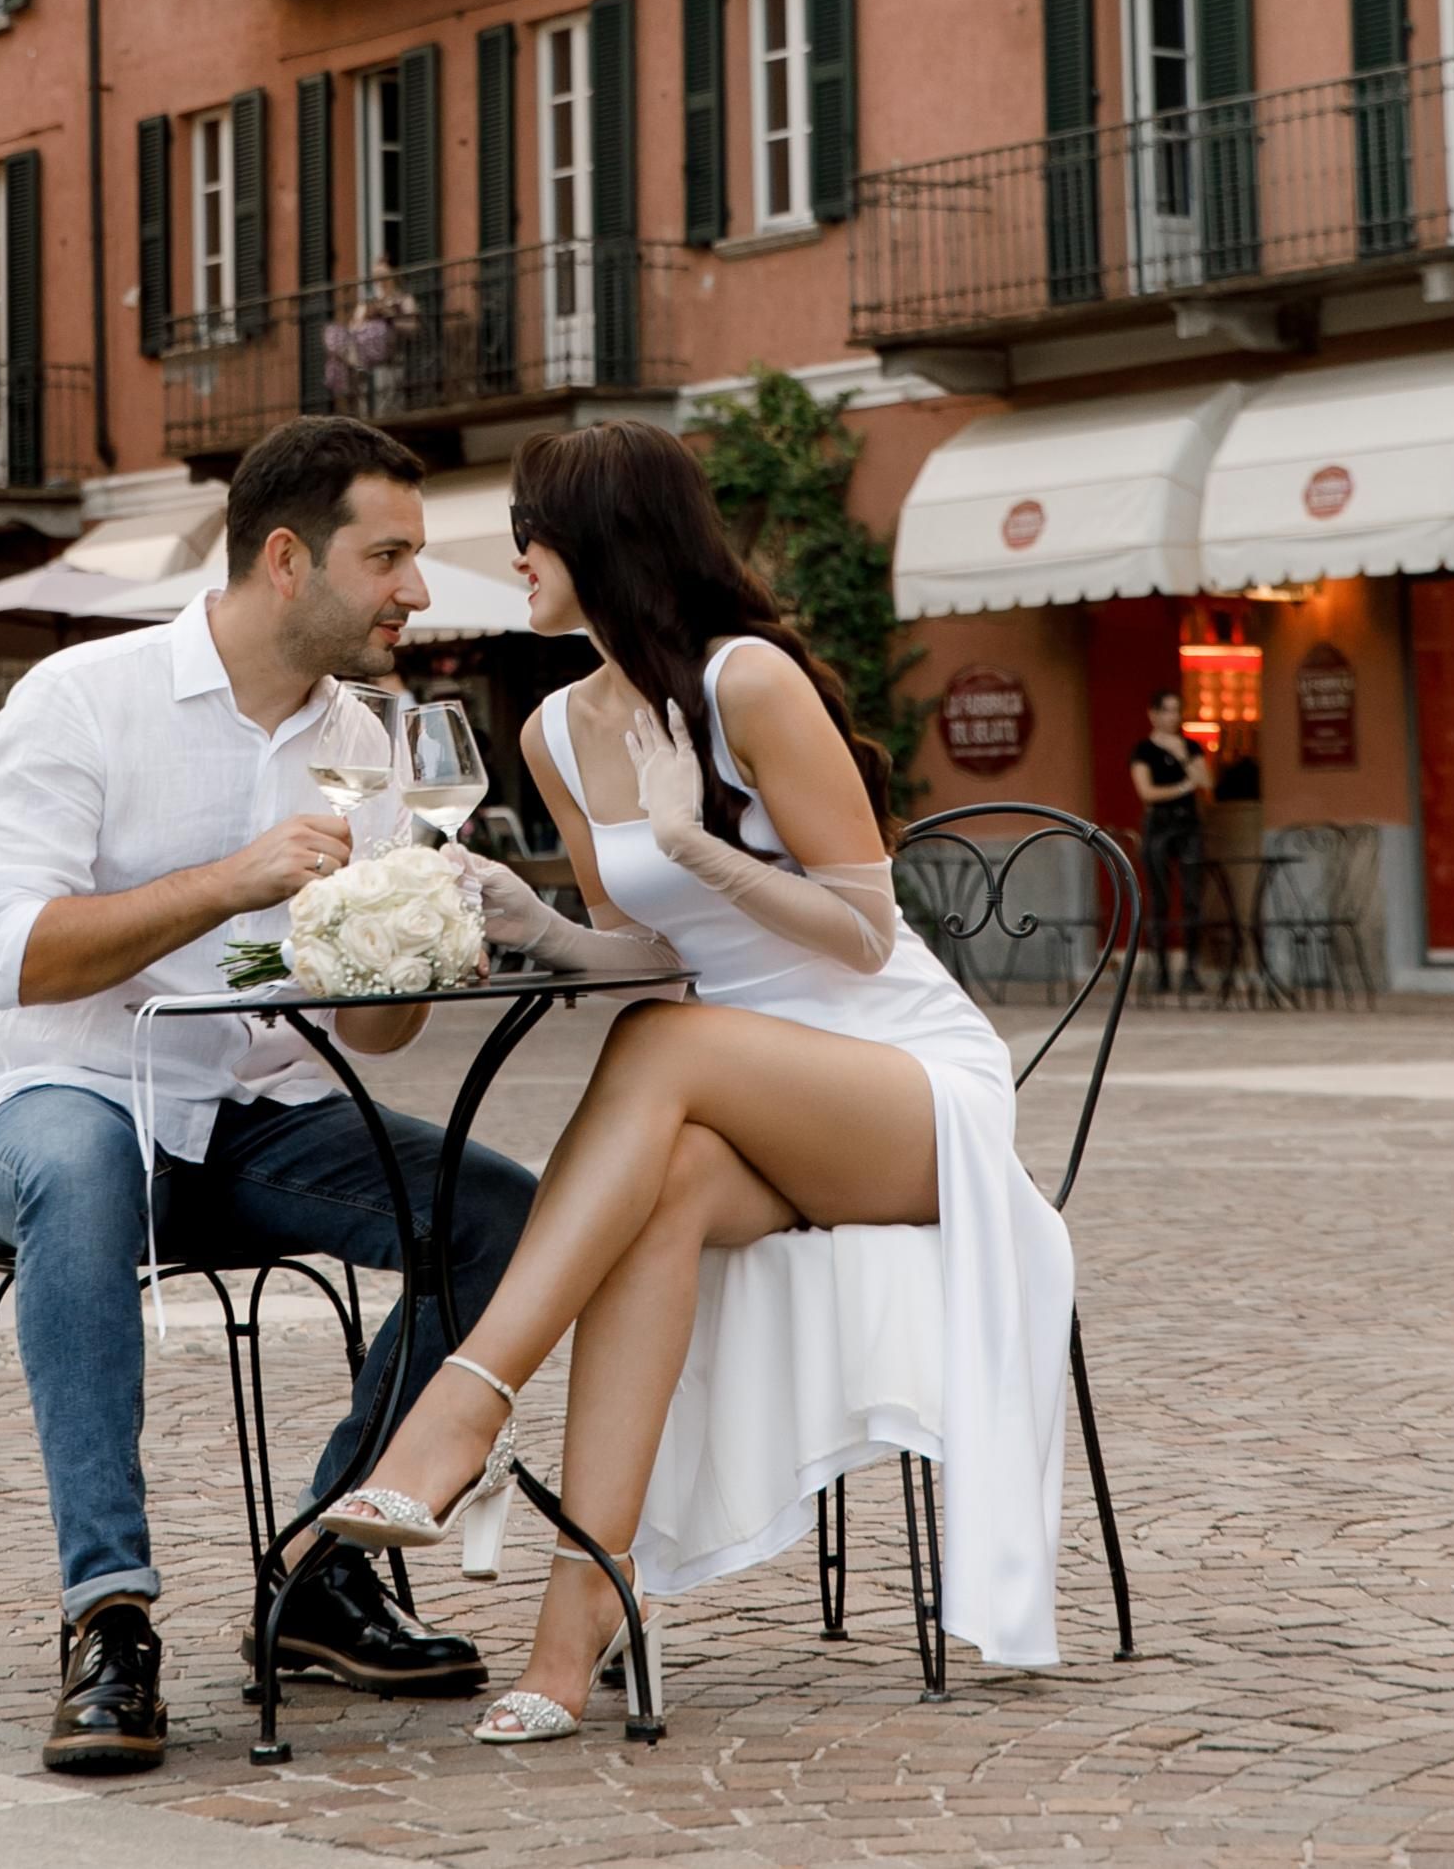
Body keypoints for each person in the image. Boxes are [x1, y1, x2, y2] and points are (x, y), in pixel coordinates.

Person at [324, 419, 1074, 1740]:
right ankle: (569, 1642)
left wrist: (692, 840)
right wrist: (537, 925)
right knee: (656, 1192)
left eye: (533, 530)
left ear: (603, 540)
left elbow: (864, 930)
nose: (516, 555)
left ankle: (461, 1410)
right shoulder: (555, 731)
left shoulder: (748, 684)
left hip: (904, 1089)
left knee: (659, 1045)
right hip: (731, 1097)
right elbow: (655, 956)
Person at [0, 415, 535, 1775]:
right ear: (286, 559)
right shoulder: (80, 700)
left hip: (253, 1116)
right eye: (387, 555)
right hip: (59, 1097)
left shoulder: (365, 739)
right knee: (85, 1167)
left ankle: (327, 1569)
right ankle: (109, 1616)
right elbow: (5, 956)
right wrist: (230, 881)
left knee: (501, 1215)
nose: (415, 589)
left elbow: (369, 1032)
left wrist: (414, 938)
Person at [1128, 687, 1213, 993]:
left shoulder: (1190, 747)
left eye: (1177, 711)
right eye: (1167, 711)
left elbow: (1206, 782)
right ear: (1153, 714)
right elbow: (1147, 792)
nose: (1173, 717)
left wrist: (1182, 757)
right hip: (1159, 826)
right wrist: (1183, 787)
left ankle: (1191, 970)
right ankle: (1161, 971)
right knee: (1159, 899)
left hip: (1188, 824)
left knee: (1192, 898)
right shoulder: (1143, 750)